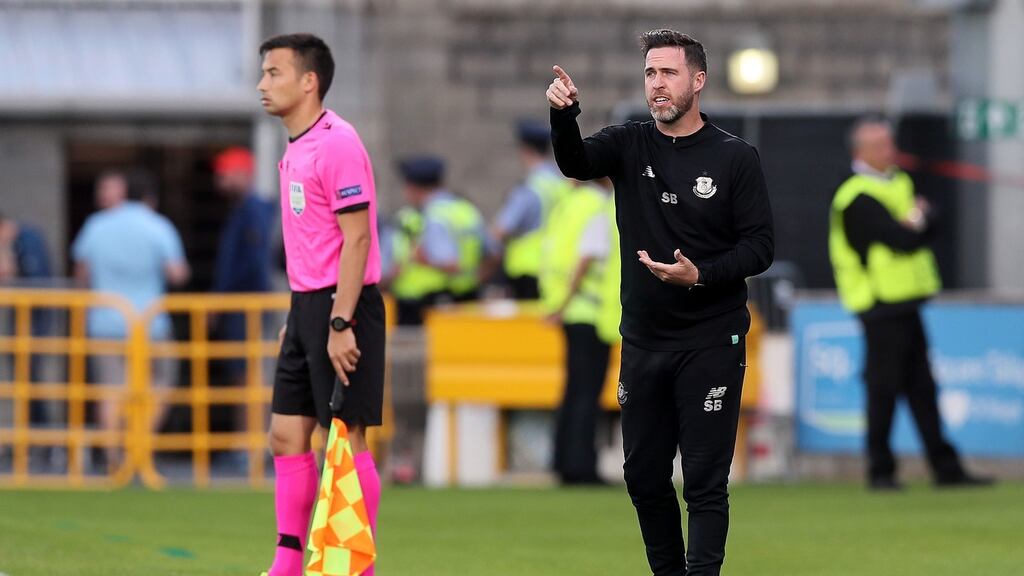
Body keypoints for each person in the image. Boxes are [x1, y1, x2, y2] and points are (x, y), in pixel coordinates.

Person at [547, 29, 774, 576]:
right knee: (644, 477)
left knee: (703, 481)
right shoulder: (629, 143)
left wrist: (702, 275)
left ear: (698, 82)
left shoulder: (734, 157)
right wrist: (564, 115)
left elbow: (760, 247)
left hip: (711, 339)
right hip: (645, 341)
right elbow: (575, 162)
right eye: (650, 73)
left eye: (668, 73)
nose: (657, 85)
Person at [257, 33, 385, 576]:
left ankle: (354, 565)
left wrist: (339, 321)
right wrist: (300, 319)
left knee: (345, 436)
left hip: (344, 305)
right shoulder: (296, 147)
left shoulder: (337, 142)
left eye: (274, 73)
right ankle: (288, 562)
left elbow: (356, 240)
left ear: (309, 81)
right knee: (286, 434)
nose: (262, 85)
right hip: (306, 306)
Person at [828, 116, 994, 491]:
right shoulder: (855, 197)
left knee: (922, 388)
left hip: (907, 301)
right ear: (862, 152)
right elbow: (903, 238)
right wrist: (918, 220)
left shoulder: (897, 181)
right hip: (879, 304)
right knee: (883, 389)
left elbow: (930, 224)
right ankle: (881, 470)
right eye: (883, 145)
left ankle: (945, 467)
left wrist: (916, 221)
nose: (892, 151)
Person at [71, 168, 190, 466]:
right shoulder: (158, 226)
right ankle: (138, 447)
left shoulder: (96, 224)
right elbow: (177, 273)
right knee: (162, 381)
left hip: (104, 320)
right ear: (150, 198)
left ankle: (113, 458)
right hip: (149, 322)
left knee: (111, 391)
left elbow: (81, 274)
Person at [541, 178, 613, 485]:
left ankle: (562, 460)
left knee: (573, 390)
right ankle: (581, 467)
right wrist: (567, 299)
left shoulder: (567, 203)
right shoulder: (597, 205)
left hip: (569, 309)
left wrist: (558, 304)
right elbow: (588, 255)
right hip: (591, 310)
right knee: (587, 393)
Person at [390, 156, 487, 325]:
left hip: (427, 304)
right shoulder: (465, 210)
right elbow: (493, 253)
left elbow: (451, 263)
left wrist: (423, 260)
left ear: (415, 187)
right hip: (465, 298)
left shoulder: (433, 217)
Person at [492, 119, 571, 300]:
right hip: (556, 266)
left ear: (525, 149)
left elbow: (502, 229)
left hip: (527, 269)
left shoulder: (529, 188)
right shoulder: (561, 183)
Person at [0, 212, 55, 466]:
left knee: (31, 378)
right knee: (23, 380)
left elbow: (35, 279)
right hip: (19, 320)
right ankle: (30, 439)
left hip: (37, 320)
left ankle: (43, 441)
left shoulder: (28, 239)